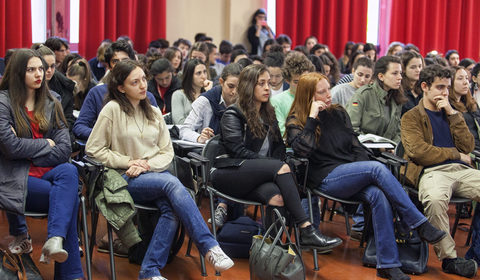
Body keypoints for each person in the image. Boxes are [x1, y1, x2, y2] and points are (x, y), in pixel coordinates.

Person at [286, 72, 446, 280]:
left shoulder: (338, 113)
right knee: (376, 169)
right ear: (308, 96)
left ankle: (387, 264)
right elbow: (301, 151)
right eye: (322, 92)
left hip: (349, 174)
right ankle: (418, 223)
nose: (328, 95)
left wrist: (362, 168)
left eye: (328, 88)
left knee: (378, 194)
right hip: (324, 178)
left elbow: (355, 146)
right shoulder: (296, 120)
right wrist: (312, 118)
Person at [86, 59, 233, 280]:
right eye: (135, 82)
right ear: (121, 87)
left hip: (153, 174)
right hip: (125, 177)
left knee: (171, 208)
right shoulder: (112, 109)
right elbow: (93, 149)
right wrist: (129, 162)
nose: (143, 85)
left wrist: (145, 164)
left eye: (144, 79)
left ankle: (149, 271)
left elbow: (167, 152)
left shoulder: (154, 112)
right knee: (171, 183)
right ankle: (209, 245)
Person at [211, 64, 343, 253]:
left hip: (259, 175)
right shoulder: (233, 114)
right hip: (229, 173)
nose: (268, 87)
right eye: (261, 83)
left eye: (268, 83)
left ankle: (271, 251)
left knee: (278, 198)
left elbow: (279, 148)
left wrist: (278, 163)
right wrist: (272, 166)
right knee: (280, 168)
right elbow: (236, 151)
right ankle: (306, 229)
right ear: (249, 87)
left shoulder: (268, 114)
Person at [0, 48, 83, 279]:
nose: (39, 74)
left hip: (49, 174)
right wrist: (46, 144)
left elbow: (65, 149)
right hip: (16, 178)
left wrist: (25, 149)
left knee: (68, 169)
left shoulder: (51, 101)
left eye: (41, 69)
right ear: (17, 73)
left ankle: (55, 240)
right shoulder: (3, 102)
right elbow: (9, 147)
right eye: (31, 69)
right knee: (69, 198)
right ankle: (71, 274)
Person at [401, 64, 480, 278]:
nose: (445, 93)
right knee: (435, 200)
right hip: (431, 172)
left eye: (447, 87)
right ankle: (450, 259)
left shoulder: (452, 112)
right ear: (425, 87)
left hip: (462, 170)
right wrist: (454, 154)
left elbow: (469, 146)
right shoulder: (411, 116)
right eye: (439, 87)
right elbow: (419, 152)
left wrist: (453, 113)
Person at [73, 40, 158, 141]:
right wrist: (106, 135)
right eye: (115, 61)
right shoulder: (97, 93)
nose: (121, 65)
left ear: (133, 62)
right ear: (108, 67)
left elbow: (157, 129)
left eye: (125, 60)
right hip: (107, 148)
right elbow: (80, 127)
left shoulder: (146, 95)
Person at [346, 56, 405, 143]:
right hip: (364, 150)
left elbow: (397, 132)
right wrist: (375, 146)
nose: (400, 77)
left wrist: (393, 147)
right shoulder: (363, 95)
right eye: (395, 73)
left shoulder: (396, 98)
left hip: (388, 151)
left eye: (400, 73)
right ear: (381, 76)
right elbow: (351, 128)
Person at [180, 63, 242, 144]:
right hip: (208, 153)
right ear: (221, 82)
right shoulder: (205, 101)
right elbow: (184, 131)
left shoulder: (246, 102)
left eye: (239, 87)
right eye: (230, 86)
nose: (235, 92)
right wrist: (199, 137)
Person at [270, 51, 315, 135]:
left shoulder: (315, 97)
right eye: (296, 82)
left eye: (305, 80)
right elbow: (281, 132)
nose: (302, 85)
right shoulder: (277, 101)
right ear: (287, 81)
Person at [171, 59, 212, 124]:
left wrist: (210, 94)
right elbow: (179, 122)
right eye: (199, 73)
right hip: (187, 133)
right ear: (189, 76)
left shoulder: (209, 93)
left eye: (205, 72)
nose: (203, 77)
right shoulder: (178, 95)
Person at [449, 66, 480, 150]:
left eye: (466, 78)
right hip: (468, 151)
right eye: (460, 78)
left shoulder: (471, 103)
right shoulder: (448, 107)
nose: (465, 82)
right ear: (450, 83)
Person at [400, 51, 424, 115]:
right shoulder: (399, 89)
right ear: (404, 69)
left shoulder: (424, 87)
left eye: (420, 66)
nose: (418, 70)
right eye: (413, 67)